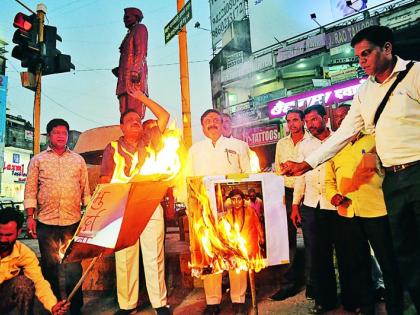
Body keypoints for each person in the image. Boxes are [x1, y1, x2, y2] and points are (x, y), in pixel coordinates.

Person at [280, 25, 420, 312]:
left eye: (366, 53)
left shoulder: (416, 74)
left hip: (418, 173)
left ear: (387, 49)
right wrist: (306, 164)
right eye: (358, 57)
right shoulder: (364, 92)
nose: (362, 61)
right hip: (393, 182)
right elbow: (343, 135)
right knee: (406, 254)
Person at [324, 104, 403, 314]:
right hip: (348, 213)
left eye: (345, 115)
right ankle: (367, 307)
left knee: (388, 261)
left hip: (377, 210)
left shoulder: (374, 139)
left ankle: (396, 307)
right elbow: (328, 182)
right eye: (337, 117)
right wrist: (333, 196)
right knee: (358, 264)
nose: (340, 120)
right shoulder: (334, 148)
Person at [99, 84, 170, 315]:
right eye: (130, 120)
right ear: (122, 127)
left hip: (150, 204)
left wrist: (142, 98)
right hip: (122, 207)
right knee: (125, 257)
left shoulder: (151, 139)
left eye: (138, 119)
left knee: (154, 255)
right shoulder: (112, 148)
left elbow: (164, 116)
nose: (135, 122)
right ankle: (127, 305)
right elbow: (105, 178)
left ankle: (160, 303)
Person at [186, 109, 251, 315]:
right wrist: (191, 210)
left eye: (216, 120)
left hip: (234, 210)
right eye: (208, 121)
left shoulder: (239, 146)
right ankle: (213, 301)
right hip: (205, 212)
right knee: (209, 254)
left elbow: (249, 177)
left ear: (223, 123)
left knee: (236, 253)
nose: (212, 123)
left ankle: (238, 299)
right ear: (203, 126)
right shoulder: (195, 151)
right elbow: (187, 181)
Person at [24, 118, 90, 315]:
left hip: (73, 220)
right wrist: (30, 217)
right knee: (50, 267)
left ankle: (76, 308)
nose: (61, 136)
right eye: (56, 132)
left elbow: (85, 189)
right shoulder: (38, 160)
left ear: (67, 136)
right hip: (46, 222)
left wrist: (88, 216)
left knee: (74, 268)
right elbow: (30, 189)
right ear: (49, 135)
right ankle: (53, 307)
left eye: (64, 132)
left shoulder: (78, 160)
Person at [291, 105, 340, 314]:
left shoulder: (338, 139)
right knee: (318, 256)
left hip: (337, 204)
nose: (310, 124)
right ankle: (324, 299)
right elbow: (300, 175)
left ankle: (352, 296)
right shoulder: (304, 145)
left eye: (314, 119)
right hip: (311, 205)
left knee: (345, 253)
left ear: (324, 118)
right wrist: (295, 204)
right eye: (308, 121)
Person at [0, 208, 70, 315]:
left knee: (23, 284)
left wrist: (52, 305)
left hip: (3, 298)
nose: (3, 239)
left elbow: (39, 282)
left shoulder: (24, 253)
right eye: (0, 234)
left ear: (19, 232)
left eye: (8, 235)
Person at [270, 109, 309, 301]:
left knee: (309, 239)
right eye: (288, 121)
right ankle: (290, 283)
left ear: (302, 121)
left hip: (309, 193)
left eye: (295, 120)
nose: (292, 124)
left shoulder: (310, 141)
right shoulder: (282, 143)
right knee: (290, 240)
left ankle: (312, 282)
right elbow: (279, 170)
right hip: (287, 193)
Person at [112, 7, 148, 119]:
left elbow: (141, 51)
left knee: (134, 113)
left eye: (127, 17)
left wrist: (135, 70)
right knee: (124, 112)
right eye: (124, 17)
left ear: (136, 17)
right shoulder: (129, 33)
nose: (124, 19)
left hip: (134, 80)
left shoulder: (140, 29)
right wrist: (120, 69)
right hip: (124, 81)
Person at [223, 189, 264, 259]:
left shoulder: (250, 211)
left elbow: (257, 224)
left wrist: (261, 236)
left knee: (253, 267)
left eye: (239, 199)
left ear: (243, 200)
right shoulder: (228, 215)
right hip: (237, 249)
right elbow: (226, 232)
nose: (236, 202)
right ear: (230, 201)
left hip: (252, 247)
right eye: (233, 199)